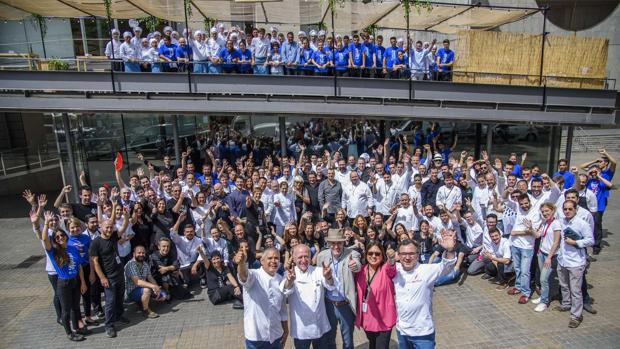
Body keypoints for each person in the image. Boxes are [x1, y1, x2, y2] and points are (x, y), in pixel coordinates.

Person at [393, 230, 457, 349]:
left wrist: (450, 250)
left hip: (423, 333)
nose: (407, 257)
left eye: (411, 254)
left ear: (417, 255)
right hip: (402, 330)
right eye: (403, 254)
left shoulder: (426, 270)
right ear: (399, 255)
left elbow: (447, 267)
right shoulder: (394, 270)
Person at [33, 211, 87, 342]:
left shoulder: (72, 247)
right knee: (66, 310)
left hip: (75, 281)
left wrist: (83, 282)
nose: (61, 238)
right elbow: (44, 238)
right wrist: (45, 223)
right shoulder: (53, 251)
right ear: (55, 240)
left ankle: (77, 328)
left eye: (62, 235)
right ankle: (70, 333)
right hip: (64, 283)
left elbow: (79, 266)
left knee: (75, 307)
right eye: (57, 237)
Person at [281, 244, 335, 348]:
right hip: (301, 329)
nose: (303, 260)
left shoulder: (318, 271)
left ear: (310, 258)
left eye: (306, 256)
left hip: (320, 325)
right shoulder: (289, 273)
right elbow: (286, 290)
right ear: (294, 258)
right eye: (300, 257)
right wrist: (290, 280)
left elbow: (331, 285)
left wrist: (328, 277)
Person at [316, 228, 361, 349]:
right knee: (329, 338)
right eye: (333, 243)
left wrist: (354, 265)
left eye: (339, 243)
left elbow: (357, 265)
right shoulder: (321, 256)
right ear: (329, 244)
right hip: (328, 304)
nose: (336, 246)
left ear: (344, 243)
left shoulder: (352, 254)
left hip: (345, 304)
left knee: (347, 340)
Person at [236, 247, 289, 349]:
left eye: (276, 258)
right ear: (262, 261)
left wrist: (286, 330)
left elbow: (282, 310)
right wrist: (241, 263)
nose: (273, 261)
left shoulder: (280, 279)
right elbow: (243, 276)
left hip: (275, 335)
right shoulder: (254, 275)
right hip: (256, 337)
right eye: (270, 258)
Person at [89, 216, 130, 338]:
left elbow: (123, 227)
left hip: (119, 273)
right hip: (109, 277)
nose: (109, 229)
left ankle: (119, 315)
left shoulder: (113, 236)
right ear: (100, 227)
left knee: (119, 297)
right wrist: (102, 278)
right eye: (107, 227)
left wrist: (126, 216)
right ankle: (109, 325)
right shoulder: (96, 243)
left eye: (111, 227)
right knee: (110, 302)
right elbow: (95, 262)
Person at [555, 200, 594, 328]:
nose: (567, 211)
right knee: (564, 285)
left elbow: (590, 240)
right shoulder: (562, 222)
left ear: (575, 210)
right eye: (565, 209)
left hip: (576, 262)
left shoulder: (582, 224)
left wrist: (576, 243)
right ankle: (566, 304)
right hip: (563, 260)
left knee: (576, 290)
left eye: (570, 209)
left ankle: (576, 316)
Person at [354, 242, 396, 349]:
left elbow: (391, 268)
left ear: (382, 256)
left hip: (383, 318)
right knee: (372, 345)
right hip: (367, 318)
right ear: (366, 254)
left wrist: (391, 259)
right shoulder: (361, 270)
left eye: (377, 254)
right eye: (370, 253)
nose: (373, 256)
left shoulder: (385, 269)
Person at [529, 202, 561, 312]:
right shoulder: (545, 222)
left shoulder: (556, 224)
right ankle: (543, 296)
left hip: (550, 256)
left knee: (544, 279)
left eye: (547, 211)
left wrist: (549, 257)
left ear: (552, 210)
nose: (545, 213)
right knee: (543, 279)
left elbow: (556, 242)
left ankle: (544, 302)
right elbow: (538, 235)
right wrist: (530, 228)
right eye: (543, 212)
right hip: (542, 253)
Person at [124, 245, 167, 318]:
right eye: (139, 253)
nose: (141, 254)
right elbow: (137, 282)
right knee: (146, 290)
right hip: (131, 292)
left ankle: (143, 302)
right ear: (134, 254)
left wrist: (157, 289)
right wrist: (153, 286)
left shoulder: (145, 264)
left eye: (143, 253)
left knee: (164, 295)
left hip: (141, 289)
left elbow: (150, 278)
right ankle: (146, 311)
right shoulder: (130, 264)